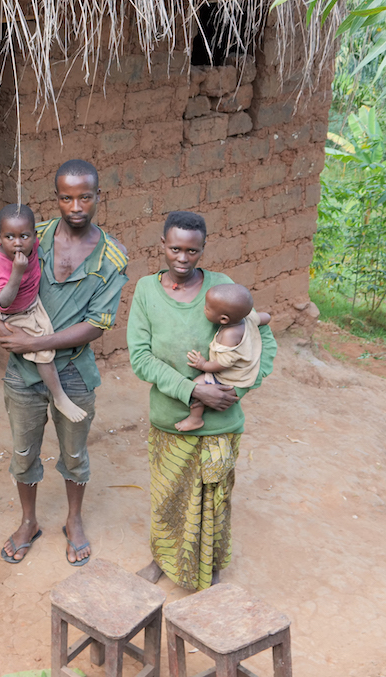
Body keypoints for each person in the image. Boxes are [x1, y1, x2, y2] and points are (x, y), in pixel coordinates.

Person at [0, 160, 128, 566]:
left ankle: (74, 519)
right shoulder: (32, 235)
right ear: (57, 198)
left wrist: (35, 340)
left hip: (74, 371)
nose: (76, 206)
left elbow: (96, 325)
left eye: (85, 196)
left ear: (99, 196)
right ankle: (28, 521)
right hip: (23, 374)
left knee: (75, 453)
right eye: (66, 197)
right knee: (24, 451)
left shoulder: (110, 258)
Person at [126, 211, 276, 590]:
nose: (182, 257)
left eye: (191, 250)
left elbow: (264, 342)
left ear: (203, 249)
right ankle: (162, 559)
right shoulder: (145, 291)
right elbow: (141, 358)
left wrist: (233, 392)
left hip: (221, 422)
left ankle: (210, 564)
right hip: (169, 418)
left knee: (215, 499)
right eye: (175, 248)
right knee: (168, 497)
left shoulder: (223, 288)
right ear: (162, 245)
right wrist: (193, 390)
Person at [0, 203, 87, 423]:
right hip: (10, 308)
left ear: (34, 236)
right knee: (42, 350)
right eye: (10, 237)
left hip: (28, 302)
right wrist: (17, 272)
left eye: (24, 236)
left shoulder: (35, 244)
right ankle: (59, 396)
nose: (17, 243)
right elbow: (2, 302)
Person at [175, 283, 271, 432]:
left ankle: (195, 419)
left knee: (197, 385)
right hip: (247, 368)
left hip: (232, 376)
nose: (204, 309)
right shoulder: (249, 318)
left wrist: (204, 365)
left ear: (224, 319)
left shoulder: (229, 335)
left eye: (207, 308)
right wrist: (267, 317)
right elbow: (265, 317)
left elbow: (224, 363)